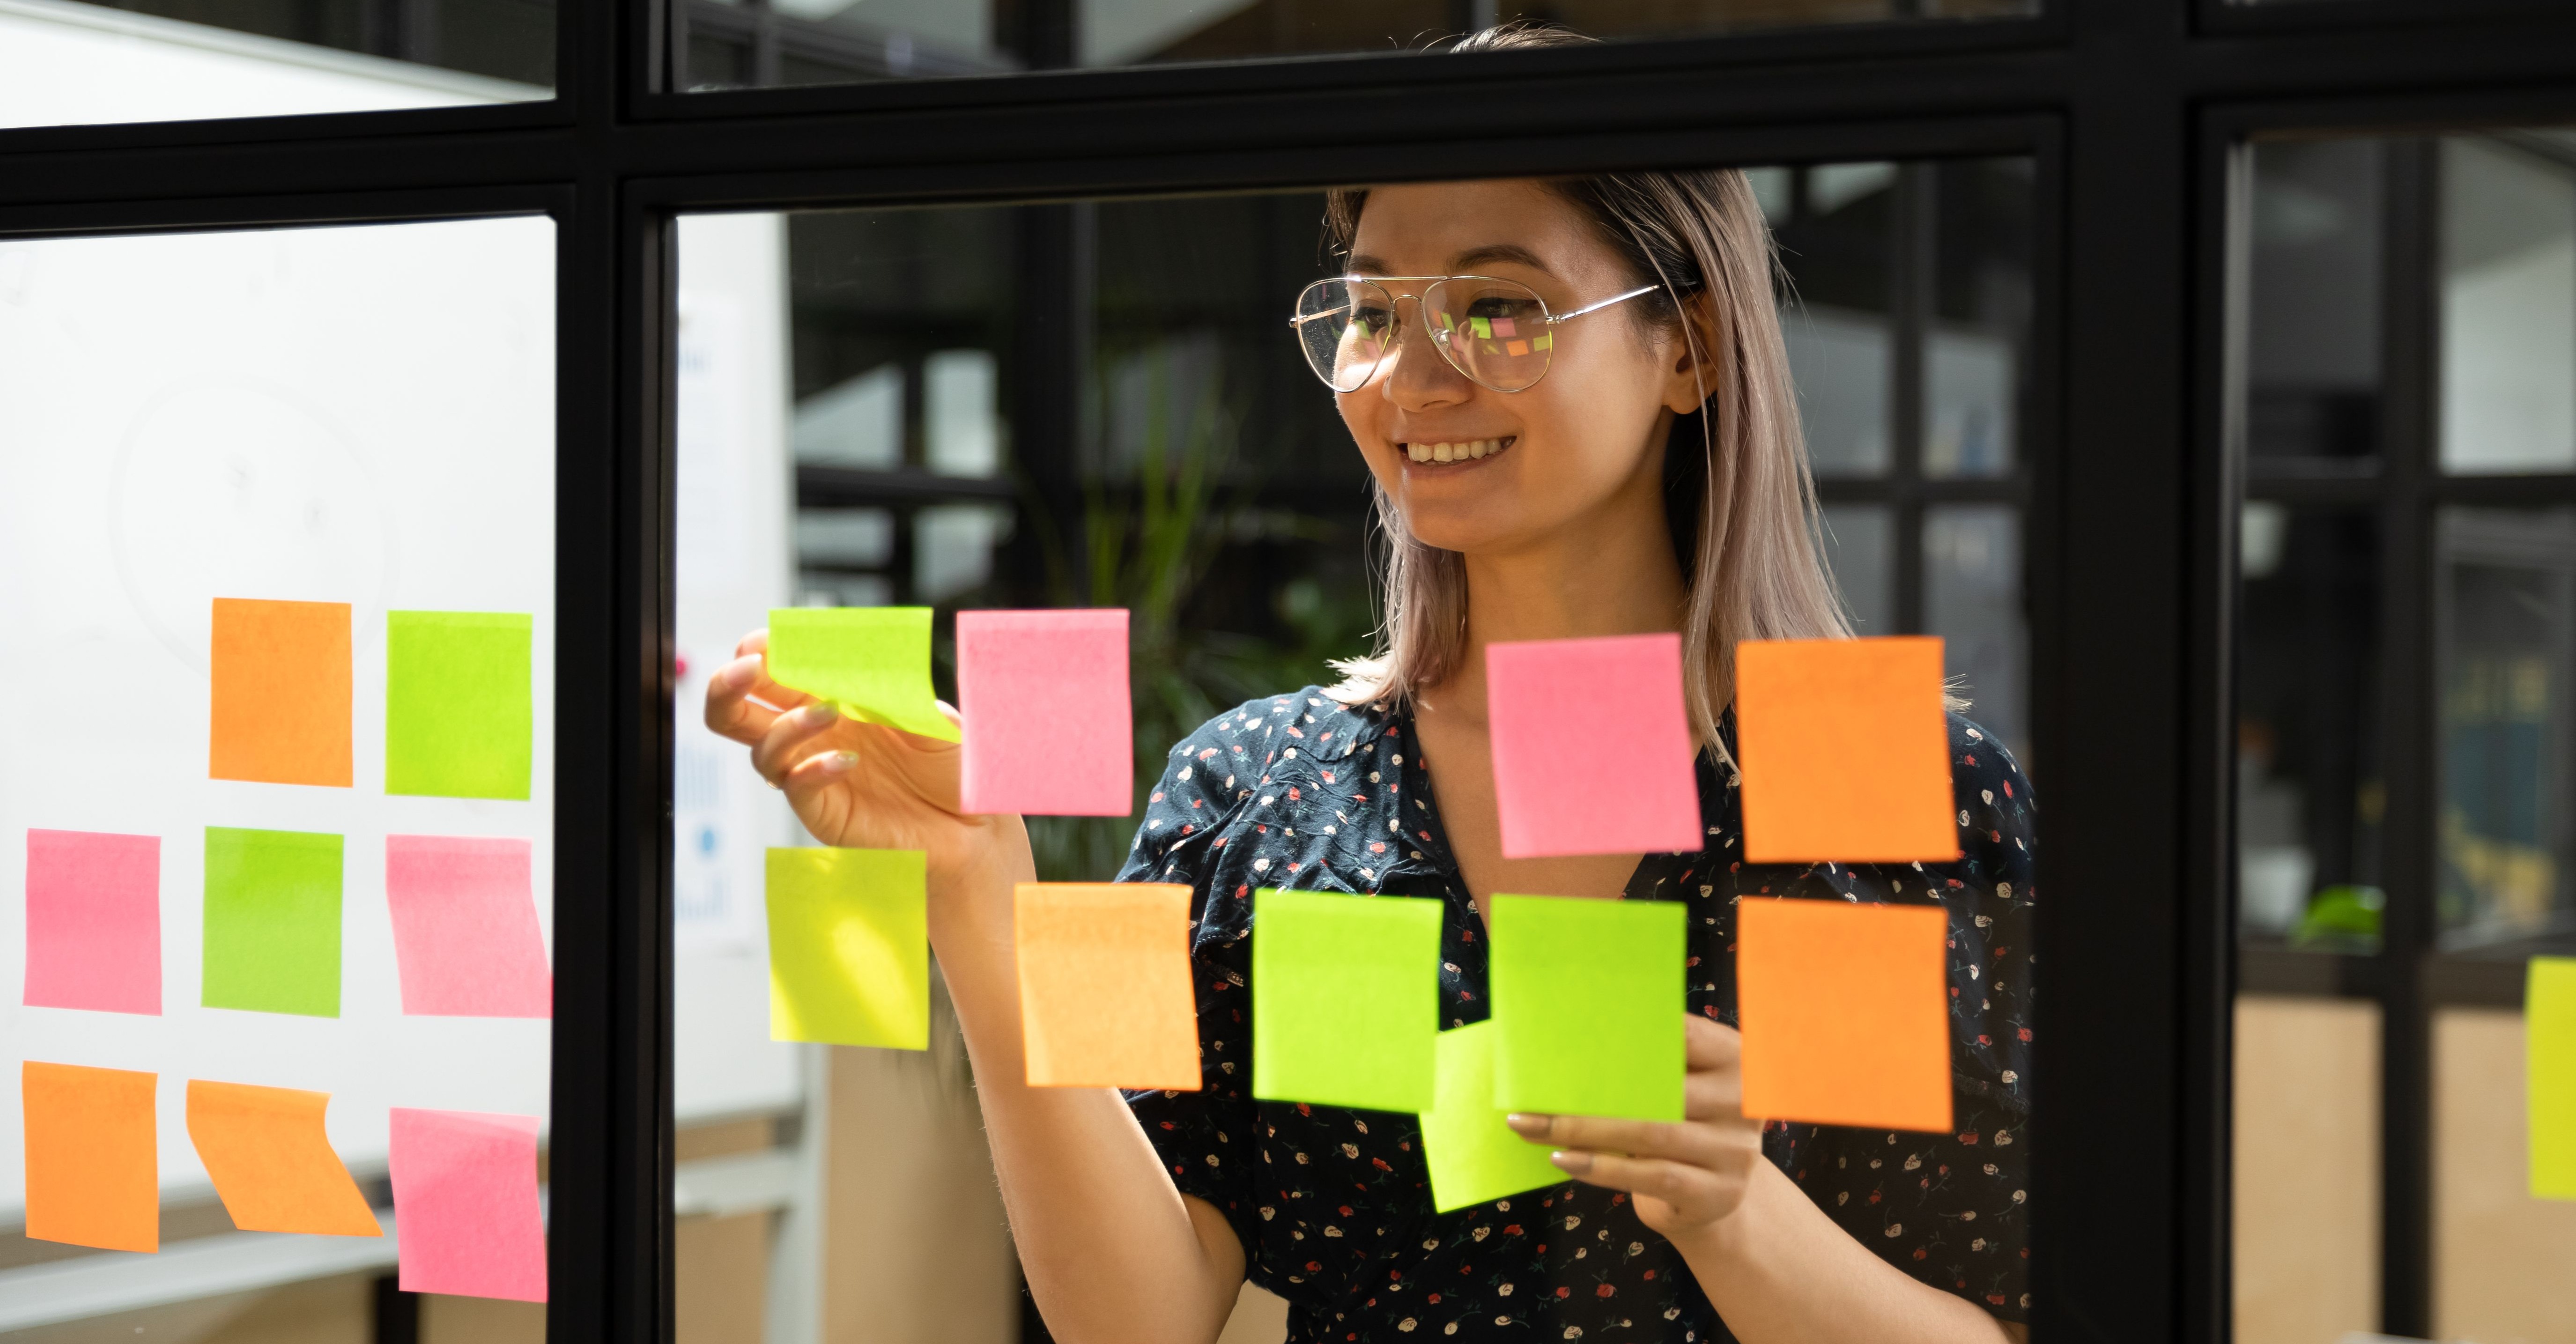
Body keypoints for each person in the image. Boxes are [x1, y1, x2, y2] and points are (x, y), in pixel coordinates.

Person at [704, 26, 2034, 1343]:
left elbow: (1999, 1322)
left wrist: (1735, 1210)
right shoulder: (1246, 791)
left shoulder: (1892, 790)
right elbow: (1135, 1321)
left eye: (1499, 307)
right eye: (1377, 310)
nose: (1411, 374)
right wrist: (979, 885)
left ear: (1686, 348)